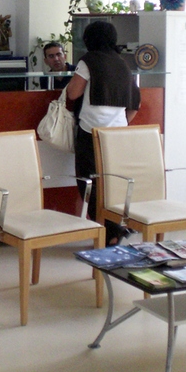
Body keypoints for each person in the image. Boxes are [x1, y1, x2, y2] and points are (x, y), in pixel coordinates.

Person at [65, 21, 140, 245]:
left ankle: (110, 233)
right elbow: (135, 103)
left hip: (91, 131)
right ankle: (115, 228)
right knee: (111, 184)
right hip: (117, 134)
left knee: (88, 182)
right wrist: (119, 123)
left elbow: (73, 93)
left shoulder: (88, 61)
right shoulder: (122, 63)